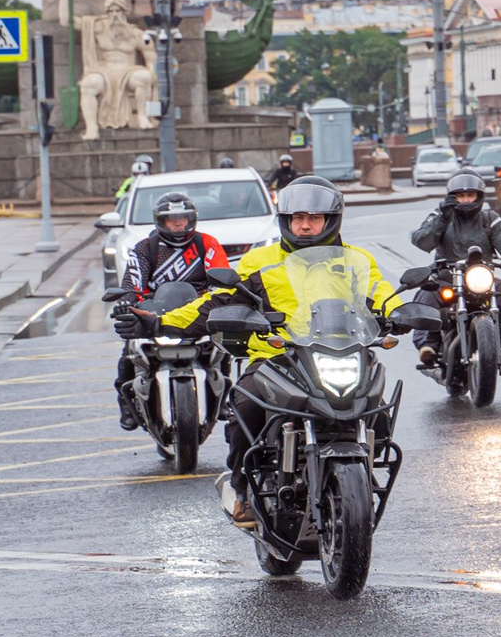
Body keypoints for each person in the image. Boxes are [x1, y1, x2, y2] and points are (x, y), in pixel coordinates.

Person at [155, 178, 407, 531]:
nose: (305, 225)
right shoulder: (259, 261)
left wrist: (401, 312)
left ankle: (360, 473)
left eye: (314, 218)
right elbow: (217, 301)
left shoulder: (356, 261)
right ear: (285, 220)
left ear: (331, 220)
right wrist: (160, 321)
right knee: (245, 404)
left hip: (344, 353)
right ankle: (242, 488)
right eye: (297, 218)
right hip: (278, 358)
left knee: (375, 407)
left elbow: (381, 292)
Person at [111, 191, 233, 429]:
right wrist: (126, 302)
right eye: (171, 219)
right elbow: (131, 283)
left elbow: (222, 280)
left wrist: (225, 298)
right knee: (129, 349)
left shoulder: (207, 244)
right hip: (155, 312)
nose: (178, 223)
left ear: (191, 219)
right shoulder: (145, 248)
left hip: (198, 312)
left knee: (223, 344)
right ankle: (125, 402)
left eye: (183, 218)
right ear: (160, 221)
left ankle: (223, 397)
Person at [409, 168, 501, 365]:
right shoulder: (441, 215)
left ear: (479, 196)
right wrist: (442, 219)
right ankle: (428, 344)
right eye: (461, 196)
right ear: (452, 197)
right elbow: (422, 240)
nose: (465, 200)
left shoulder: (489, 218)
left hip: (482, 279)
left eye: (470, 195)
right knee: (427, 293)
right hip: (447, 278)